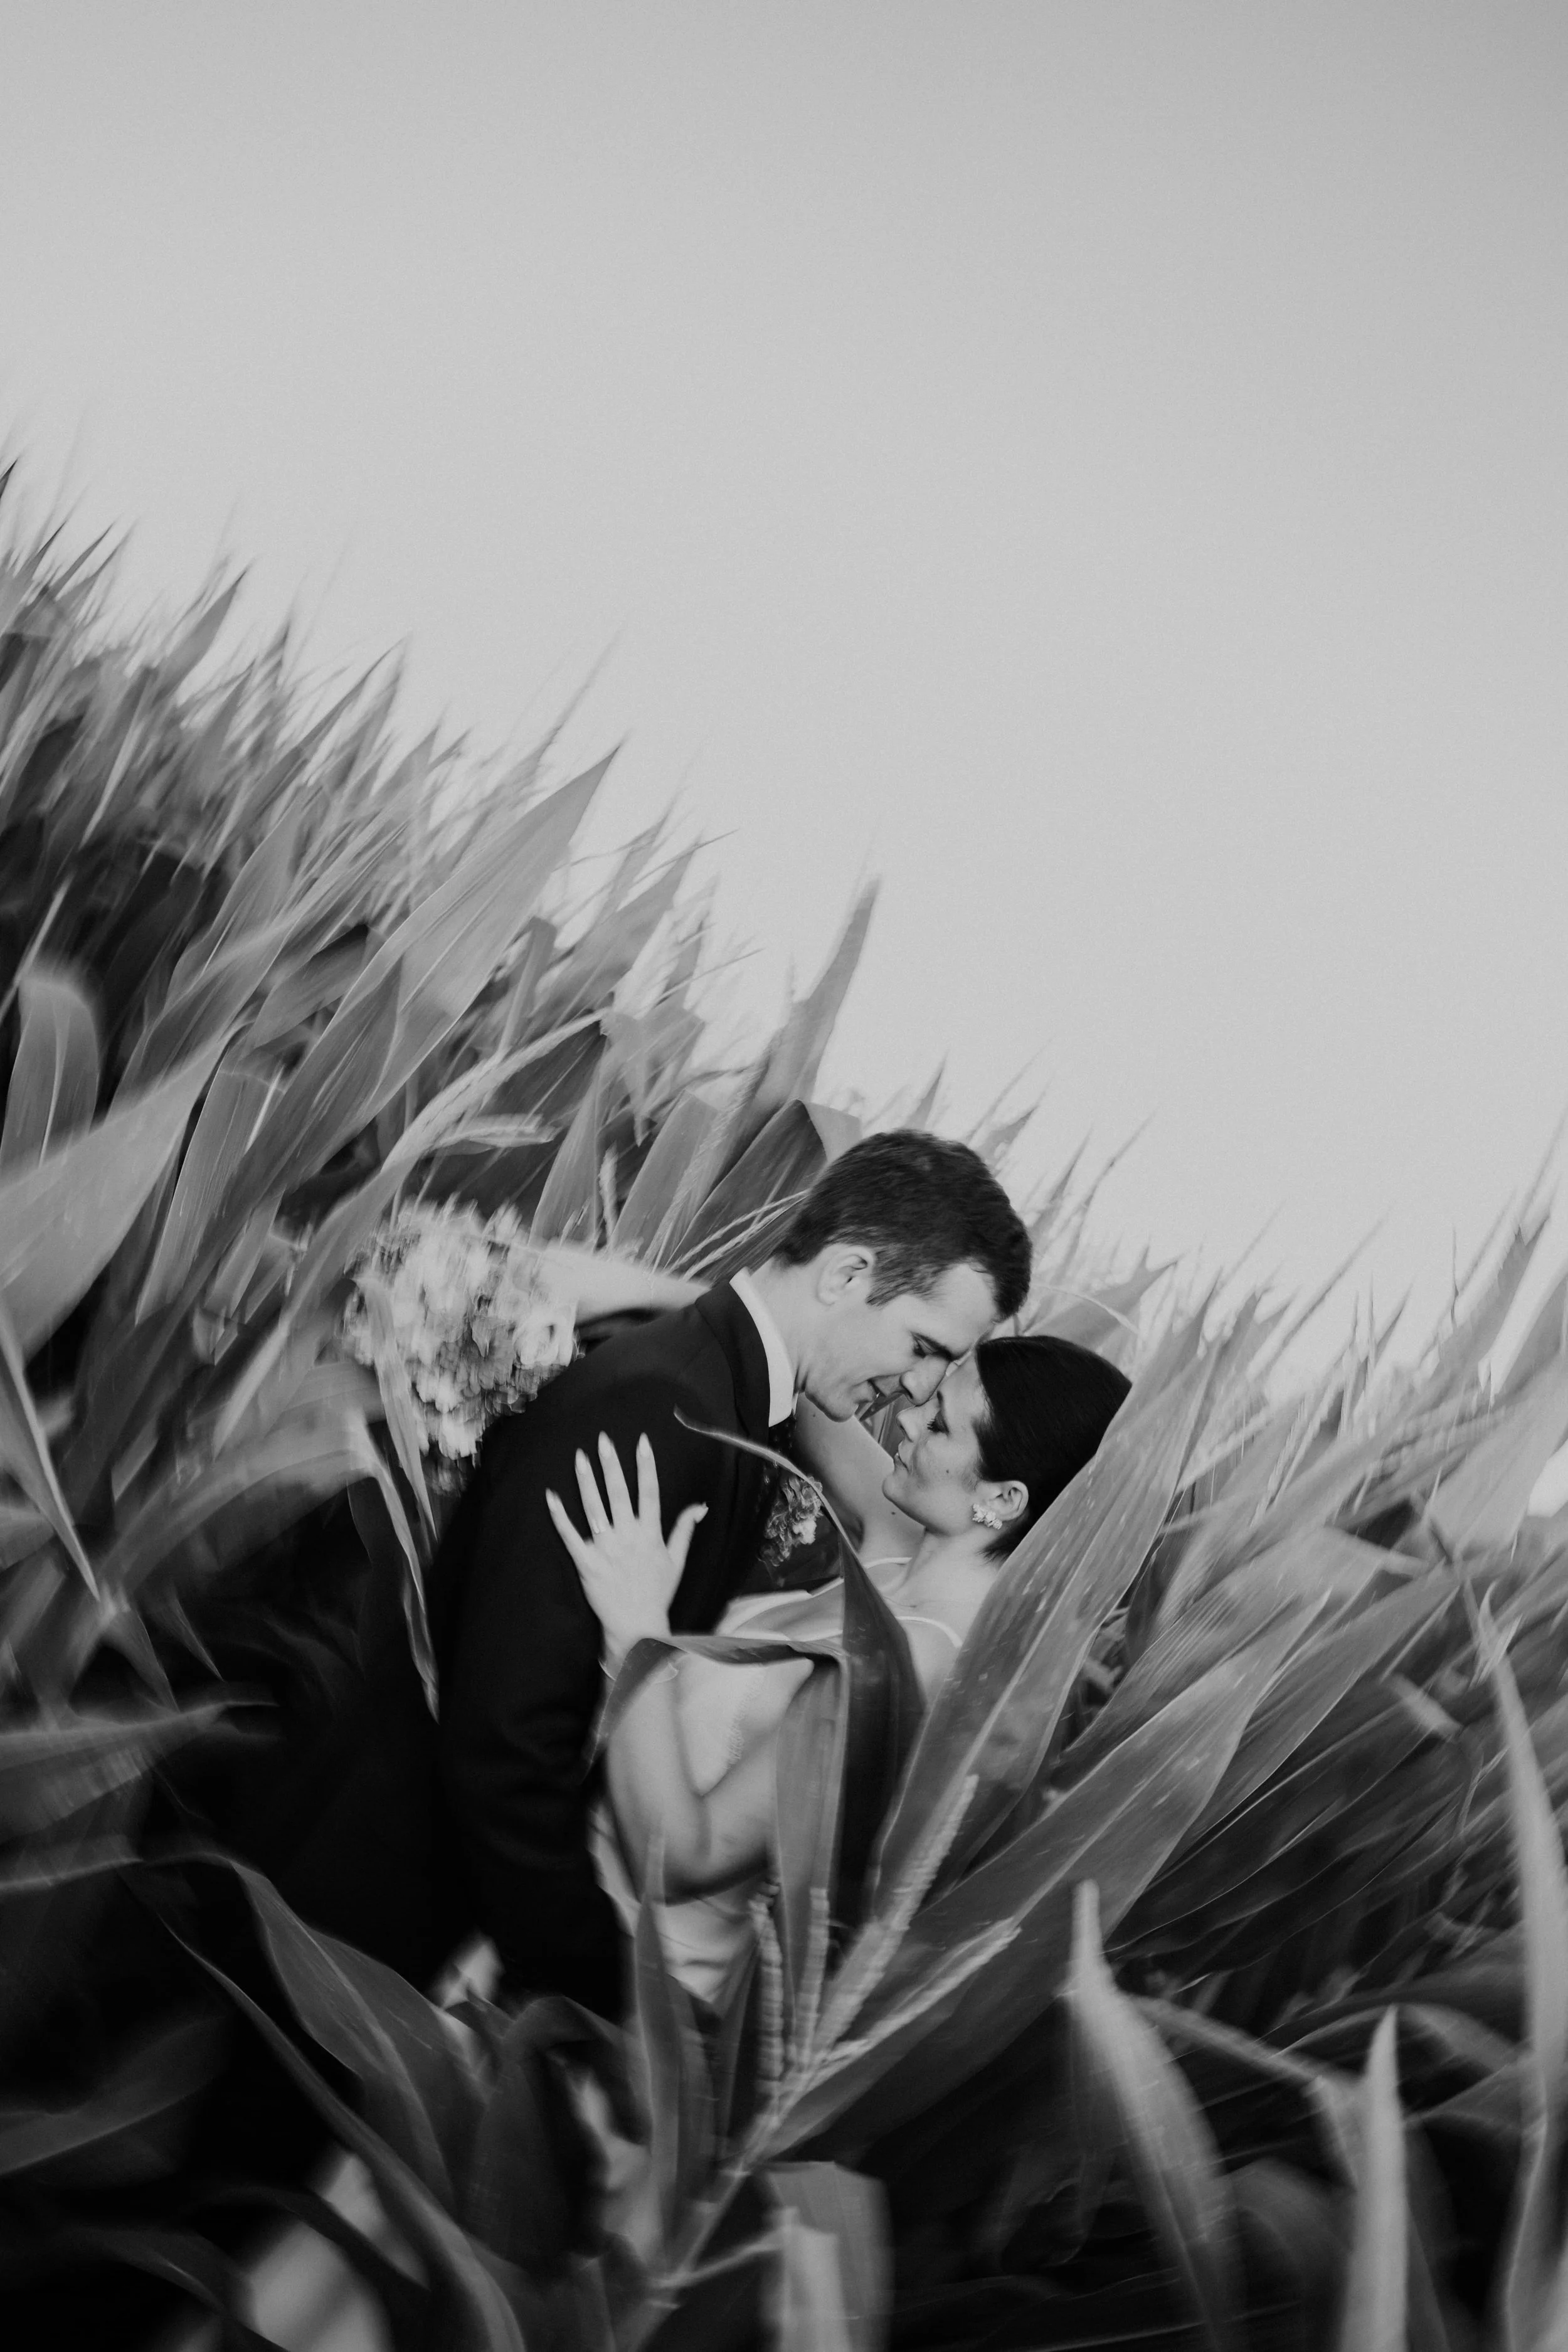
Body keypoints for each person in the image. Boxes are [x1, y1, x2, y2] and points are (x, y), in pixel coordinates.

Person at [433, 1130, 1033, 2017]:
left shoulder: (745, 1404)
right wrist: (599, 1991)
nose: (916, 1392)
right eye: (922, 1345)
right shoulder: (663, 1406)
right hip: (431, 1916)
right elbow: (508, 1737)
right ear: (845, 1275)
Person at [549, 1332, 1132, 2007]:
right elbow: (795, 1361)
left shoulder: (905, 1663)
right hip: (555, 1877)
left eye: (939, 1423)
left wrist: (636, 1631)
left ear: (1003, 1500)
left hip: (624, 1983)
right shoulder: (903, 1542)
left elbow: (685, 1858)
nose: (909, 1419)